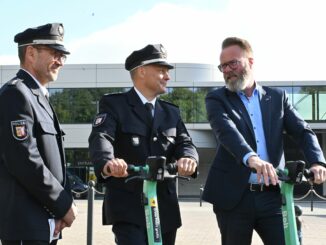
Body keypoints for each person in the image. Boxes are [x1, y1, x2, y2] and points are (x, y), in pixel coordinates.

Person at [202, 37, 326, 245]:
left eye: (233, 63)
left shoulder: (277, 97)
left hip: (272, 195)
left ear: (250, 61)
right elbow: (226, 132)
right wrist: (252, 158)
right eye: (222, 66)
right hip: (234, 197)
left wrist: (318, 162)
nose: (227, 70)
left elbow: (303, 131)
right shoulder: (216, 99)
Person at [88, 44, 198, 245]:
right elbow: (101, 137)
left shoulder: (171, 112)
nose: (167, 77)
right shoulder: (115, 105)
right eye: (161, 71)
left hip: (165, 208)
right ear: (142, 71)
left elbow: (186, 142)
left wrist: (189, 158)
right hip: (129, 208)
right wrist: (108, 162)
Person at [0, 23, 78, 245]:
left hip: (45, 221)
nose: (60, 61)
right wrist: (62, 204)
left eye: (63, 55)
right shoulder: (16, 94)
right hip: (25, 223)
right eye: (55, 53)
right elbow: (24, 160)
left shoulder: (38, 96)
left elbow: (56, 163)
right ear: (31, 53)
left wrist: (64, 204)